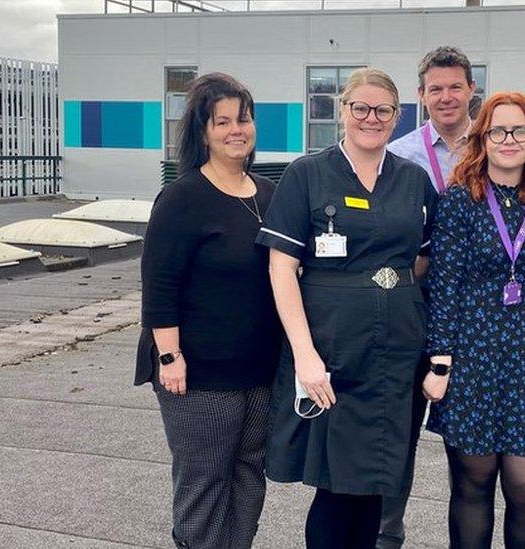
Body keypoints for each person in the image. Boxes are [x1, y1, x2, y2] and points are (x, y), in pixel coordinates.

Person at [256, 68, 436, 549]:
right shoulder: (307, 174)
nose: (371, 118)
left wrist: (390, 292)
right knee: (335, 485)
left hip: (396, 353)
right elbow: (280, 269)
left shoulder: (414, 180)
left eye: (383, 110)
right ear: (343, 111)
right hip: (332, 350)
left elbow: (424, 257)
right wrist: (305, 355)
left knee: (377, 477)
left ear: (398, 117)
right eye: (361, 107)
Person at [424, 91, 525, 549]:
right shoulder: (459, 201)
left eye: (519, 130)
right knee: (472, 490)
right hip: (473, 362)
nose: (508, 139)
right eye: (498, 130)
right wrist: (439, 364)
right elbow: (445, 286)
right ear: (483, 138)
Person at [137, 72, 281, 549]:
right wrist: (168, 355)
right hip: (198, 374)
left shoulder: (268, 193)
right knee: (204, 481)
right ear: (203, 131)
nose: (236, 129)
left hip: (258, 371)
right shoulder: (183, 197)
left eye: (243, 119)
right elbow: (160, 285)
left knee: (248, 473)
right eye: (223, 121)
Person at [379, 45, 476, 549]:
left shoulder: (495, 149)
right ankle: (386, 537)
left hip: (478, 325)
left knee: (471, 451)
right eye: (435, 88)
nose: (446, 97)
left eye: (455, 86)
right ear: (420, 96)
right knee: (398, 440)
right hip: (414, 318)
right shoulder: (402, 157)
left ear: (471, 90)